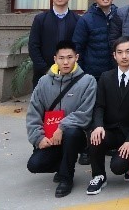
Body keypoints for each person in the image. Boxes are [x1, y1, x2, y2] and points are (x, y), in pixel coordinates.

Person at [25, 40, 97, 198]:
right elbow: (33, 113)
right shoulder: (44, 82)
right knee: (34, 165)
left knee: (71, 134)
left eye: (70, 57)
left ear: (76, 57)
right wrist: (38, 138)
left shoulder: (88, 81)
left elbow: (85, 113)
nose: (65, 62)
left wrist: (61, 127)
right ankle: (62, 164)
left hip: (77, 135)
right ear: (55, 59)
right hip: (50, 137)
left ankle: (66, 178)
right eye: (61, 58)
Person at [85, 36, 129, 195]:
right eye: (120, 52)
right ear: (114, 55)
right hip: (111, 130)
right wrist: (98, 125)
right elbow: (99, 106)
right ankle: (98, 176)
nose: (124, 56)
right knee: (94, 136)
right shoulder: (105, 77)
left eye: (128, 51)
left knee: (117, 167)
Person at [28, 0, 78, 87]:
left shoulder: (78, 20)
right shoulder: (40, 19)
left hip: (71, 75)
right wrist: (46, 70)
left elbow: (79, 46)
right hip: (43, 75)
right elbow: (33, 46)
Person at [72, 0, 123, 79]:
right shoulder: (86, 19)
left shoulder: (120, 15)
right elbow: (77, 47)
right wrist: (80, 73)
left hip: (115, 72)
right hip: (92, 73)